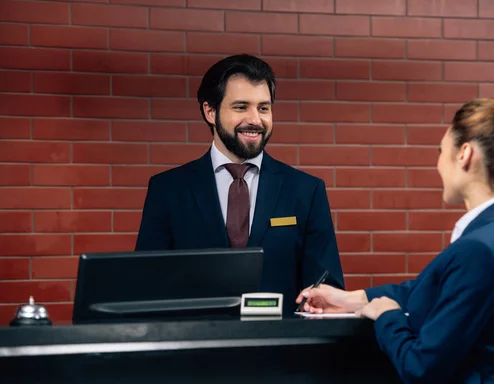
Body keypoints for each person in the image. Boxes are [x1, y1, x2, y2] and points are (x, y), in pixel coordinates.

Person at [296, 97, 494, 383]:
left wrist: (388, 316)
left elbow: (421, 368)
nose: (438, 165)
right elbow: (435, 291)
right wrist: (353, 299)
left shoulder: (478, 249)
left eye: (440, 152)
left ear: (464, 154)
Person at [135, 54, 344, 313]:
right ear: (210, 111)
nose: (255, 119)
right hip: (195, 346)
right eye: (241, 107)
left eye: (263, 108)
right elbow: (146, 287)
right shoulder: (168, 190)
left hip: (280, 347)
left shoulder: (306, 190)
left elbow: (327, 288)